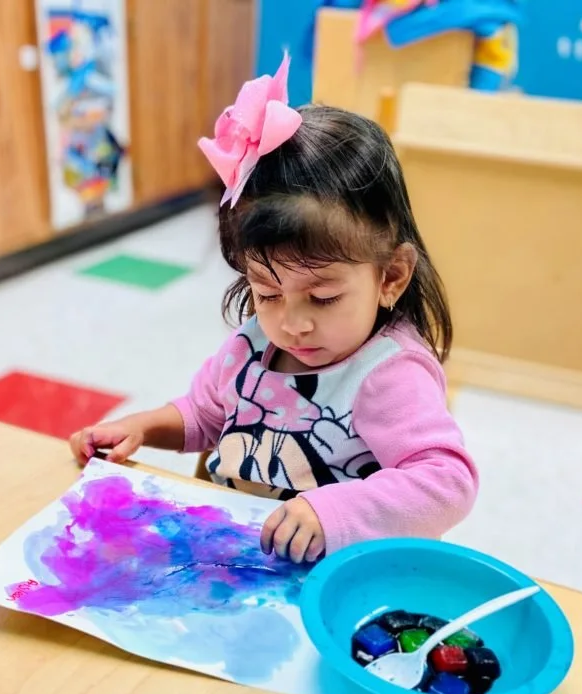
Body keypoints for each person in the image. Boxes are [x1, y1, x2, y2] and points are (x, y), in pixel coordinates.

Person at [70, 55, 478, 564]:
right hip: (235, 559)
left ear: (391, 276)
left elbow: (448, 482)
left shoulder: (387, 375)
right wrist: (145, 428)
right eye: (266, 291)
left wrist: (334, 512)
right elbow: (206, 413)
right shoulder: (253, 346)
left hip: (328, 583)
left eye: (324, 297)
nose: (292, 322)